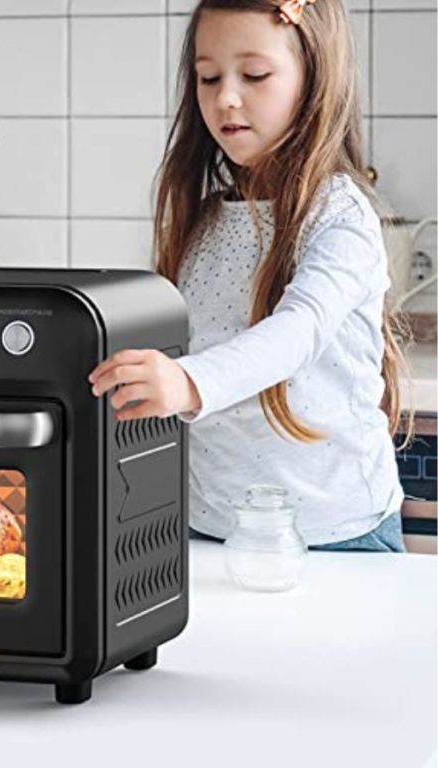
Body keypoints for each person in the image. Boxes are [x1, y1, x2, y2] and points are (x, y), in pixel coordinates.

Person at [88, 0, 409, 552]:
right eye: (208, 77)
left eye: (254, 75)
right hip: (213, 527)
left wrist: (188, 383)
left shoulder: (340, 215)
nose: (225, 97)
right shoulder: (205, 217)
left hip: (338, 533)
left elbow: (298, 331)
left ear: (314, 78)